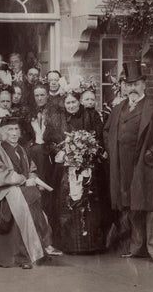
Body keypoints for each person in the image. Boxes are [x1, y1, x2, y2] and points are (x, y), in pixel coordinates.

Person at [103, 61, 153, 266]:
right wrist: (113, 151)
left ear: (144, 84)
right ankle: (137, 248)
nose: (132, 88)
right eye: (128, 84)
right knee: (131, 207)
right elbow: (106, 131)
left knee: (151, 208)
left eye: (136, 84)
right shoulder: (118, 108)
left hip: (147, 165)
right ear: (124, 86)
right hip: (123, 167)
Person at [0, 116, 61, 269]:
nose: (14, 133)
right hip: (1, 191)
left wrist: (33, 178)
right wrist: (23, 180)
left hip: (18, 188)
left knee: (32, 196)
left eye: (16, 129)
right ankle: (26, 254)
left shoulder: (22, 150)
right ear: (3, 132)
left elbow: (31, 169)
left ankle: (43, 245)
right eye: (10, 129)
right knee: (23, 198)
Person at [44, 90, 106, 254]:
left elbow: (99, 138)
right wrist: (61, 151)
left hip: (88, 166)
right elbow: (48, 141)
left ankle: (91, 244)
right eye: (68, 103)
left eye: (74, 102)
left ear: (80, 103)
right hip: (66, 168)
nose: (71, 106)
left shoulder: (91, 116)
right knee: (68, 203)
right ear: (64, 104)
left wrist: (88, 149)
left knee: (89, 201)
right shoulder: (56, 118)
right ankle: (69, 244)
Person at [26, 83, 53, 220]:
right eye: (37, 95)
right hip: (34, 152)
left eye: (42, 95)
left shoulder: (54, 113)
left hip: (48, 153)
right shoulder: (30, 113)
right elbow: (26, 134)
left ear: (47, 95)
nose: (40, 98)